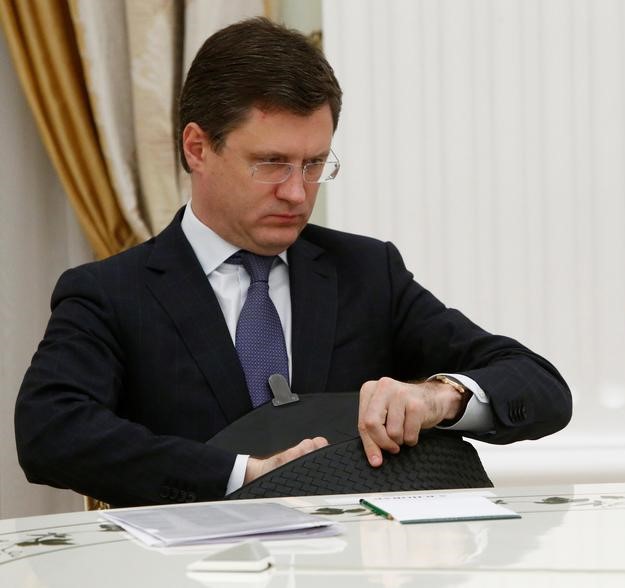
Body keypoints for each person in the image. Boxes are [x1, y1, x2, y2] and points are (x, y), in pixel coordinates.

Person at [15, 18, 571, 507]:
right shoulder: (111, 292)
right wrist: (245, 476)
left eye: (314, 164)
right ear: (197, 148)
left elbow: (541, 387)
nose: (297, 193)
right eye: (271, 163)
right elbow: (50, 431)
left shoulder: (365, 271)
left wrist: (438, 397)